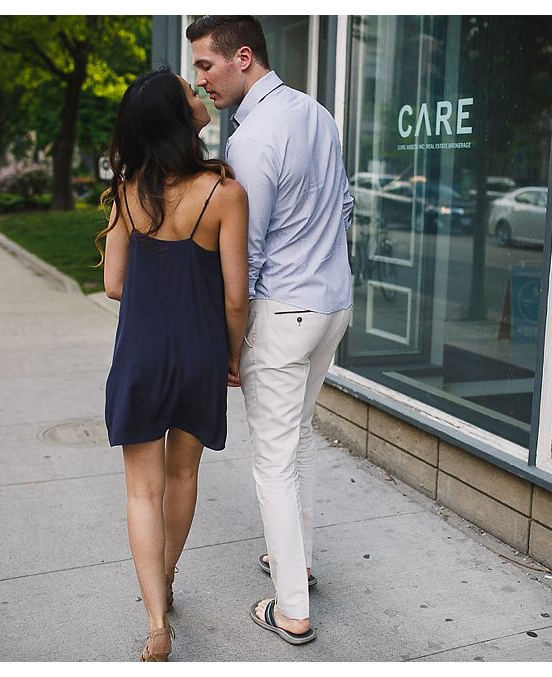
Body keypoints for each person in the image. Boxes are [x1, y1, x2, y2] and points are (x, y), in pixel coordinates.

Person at [187, 16, 354, 645]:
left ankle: (291, 609)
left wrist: (234, 345)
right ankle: (300, 563)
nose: (201, 82)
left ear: (243, 57)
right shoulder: (317, 113)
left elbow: (245, 255)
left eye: (206, 65)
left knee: (274, 462)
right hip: (332, 303)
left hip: (282, 312)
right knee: (300, 441)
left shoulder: (253, 138)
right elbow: (344, 205)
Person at [95, 66, 249, 661]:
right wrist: (231, 355)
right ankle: (168, 576)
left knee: (142, 491)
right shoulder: (223, 192)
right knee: (183, 478)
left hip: (141, 353)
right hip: (199, 352)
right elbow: (236, 297)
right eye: (190, 91)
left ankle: (156, 621)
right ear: (180, 118)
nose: (199, 93)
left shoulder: (128, 193)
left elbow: (113, 284)